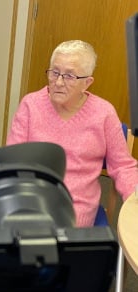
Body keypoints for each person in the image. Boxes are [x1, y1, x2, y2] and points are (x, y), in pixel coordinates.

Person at [7, 40, 138, 227]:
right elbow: (12, 162)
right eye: (54, 72)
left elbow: (123, 166)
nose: (58, 82)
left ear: (87, 82)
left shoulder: (104, 113)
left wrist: (134, 199)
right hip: (32, 210)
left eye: (69, 76)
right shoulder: (30, 105)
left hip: (77, 216)